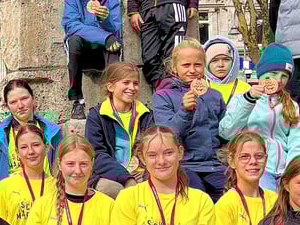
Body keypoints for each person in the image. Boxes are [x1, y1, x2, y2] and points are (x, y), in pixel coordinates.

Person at [218, 43, 300, 191]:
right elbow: (226, 131)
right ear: (261, 74)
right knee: (266, 199)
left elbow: (296, 142)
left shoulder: (291, 105)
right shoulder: (242, 98)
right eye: (272, 74)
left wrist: (293, 169)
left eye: (284, 76)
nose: (278, 80)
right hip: (256, 167)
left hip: (285, 169)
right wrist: (249, 99)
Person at [152, 39, 226, 203]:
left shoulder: (215, 95)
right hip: (184, 165)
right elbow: (167, 135)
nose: (192, 70)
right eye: (186, 65)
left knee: (230, 198)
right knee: (198, 200)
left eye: (197, 65)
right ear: (174, 67)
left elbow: (224, 131)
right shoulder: (163, 96)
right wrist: (185, 110)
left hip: (215, 164)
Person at [62, 0, 122, 120]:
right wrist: (104, 36)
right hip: (82, 54)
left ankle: (113, 101)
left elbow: (115, 29)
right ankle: (77, 101)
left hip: (104, 53)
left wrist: (104, 20)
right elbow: (71, 26)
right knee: (73, 41)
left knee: (115, 44)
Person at [0, 79, 63, 200]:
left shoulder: (53, 134)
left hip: (47, 198)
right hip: (10, 201)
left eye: (24, 98)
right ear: (7, 106)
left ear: (33, 99)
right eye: (13, 102)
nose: (20, 106)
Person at [85, 62, 155, 198]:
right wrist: (126, 178)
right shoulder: (97, 116)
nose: (132, 88)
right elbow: (97, 154)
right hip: (109, 175)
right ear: (110, 86)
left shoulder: (146, 114)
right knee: (109, 189)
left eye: (135, 83)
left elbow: (153, 148)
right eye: (126, 83)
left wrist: (145, 171)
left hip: (140, 172)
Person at [203, 35, 248, 105]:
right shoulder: (200, 87)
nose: (221, 65)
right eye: (214, 60)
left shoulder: (246, 89)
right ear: (206, 63)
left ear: (233, 62)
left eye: (226, 59)